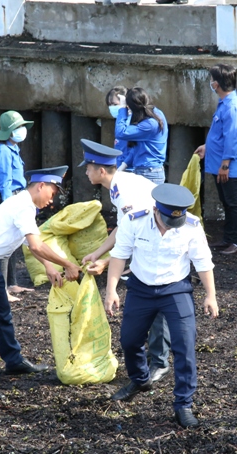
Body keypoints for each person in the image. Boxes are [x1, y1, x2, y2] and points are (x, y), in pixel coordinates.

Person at [0, 166, 81, 399]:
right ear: (41, 186)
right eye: (52, 193)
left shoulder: (27, 206)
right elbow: (36, 245)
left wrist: (48, 266)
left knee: (2, 314)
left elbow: (28, 242)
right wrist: (67, 264)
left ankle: (13, 361)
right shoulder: (24, 206)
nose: (52, 200)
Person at [105, 183, 218, 428]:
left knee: (185, 343)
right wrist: (111, 289)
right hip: (141, 288)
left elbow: (203, 261)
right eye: (167, 219)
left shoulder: (191, 225)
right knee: (129, 340)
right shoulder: (134, 220)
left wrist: (211, 295)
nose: (170, 225)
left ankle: (183, 403)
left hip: (175, 289)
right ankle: (139, 379)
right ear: (156, 209)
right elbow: (119, 255)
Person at [79, 139, 172, 383]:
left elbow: (134, 234)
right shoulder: (117, 186)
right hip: (148, 239)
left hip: (158, 243)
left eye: (88, 168)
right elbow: (124, 228)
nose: (86, 172)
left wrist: (106, 262)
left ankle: (160, 362)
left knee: (156, 294)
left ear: (101, 170)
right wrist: (97, 253)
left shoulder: (124, 189)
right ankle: (155, 358)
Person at [194, 64, 237, 255]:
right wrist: (207, 147)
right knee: (227, 202)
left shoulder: (232, 106)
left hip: (228, 165)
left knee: (233, 203)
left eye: (211, 80)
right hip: (220, 163)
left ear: (216, 84)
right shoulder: (225, 103)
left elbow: (232, 137)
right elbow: (221, 134)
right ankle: (229, 238)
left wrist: (225, 165)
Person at [0, 110, 35, 301]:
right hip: (10, 200)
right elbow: (4, 183)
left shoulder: (13, 149)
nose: (22, 130)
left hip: (17, 198)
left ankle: (12, 283)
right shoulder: (2, 151)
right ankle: (2, 290)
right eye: (18, 127)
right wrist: (9, 206)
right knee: (5, 247)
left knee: (14, 244)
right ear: (9, 132)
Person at [114, 87, 168, 185]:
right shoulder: (156, 113)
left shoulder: (150, 124)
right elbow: (139, 148)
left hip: (149, 173)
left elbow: (121, 132)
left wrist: (122, 109)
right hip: (145, 170)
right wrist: (124, 165)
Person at [105, 86, 131, 171]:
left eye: (115, 104)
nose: (112, 107)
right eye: (110, 105)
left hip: (130, 169)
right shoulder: (119, 121)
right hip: (120, 167)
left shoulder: (131, 121)